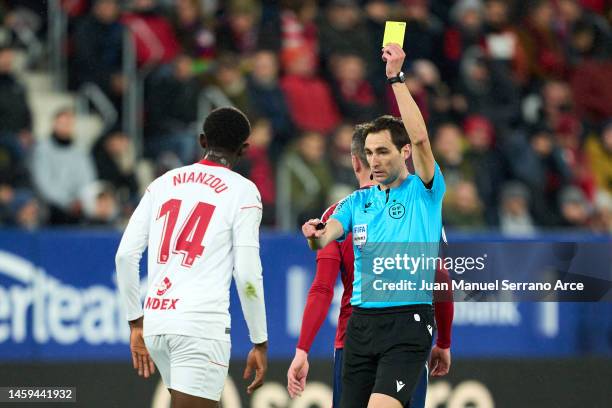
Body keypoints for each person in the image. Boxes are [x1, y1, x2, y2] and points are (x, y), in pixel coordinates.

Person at [301, 44, 447, 408]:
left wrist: (396, 79)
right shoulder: (356, 203)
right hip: (361, 327)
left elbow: (422, 137)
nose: (374, 160)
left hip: (407, 322)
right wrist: (317, 237)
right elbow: (330, 233)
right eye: (369, 153)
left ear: (404, 153)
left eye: (382, 151)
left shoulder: (424, 191)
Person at [116, 107, 268, 408]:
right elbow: (248, 274)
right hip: (200, 327)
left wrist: (136, 322)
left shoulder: (162, 183)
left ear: (202, 141)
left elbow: (125, 256)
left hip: (158, 323)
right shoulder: (243, 191)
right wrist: (259, 339)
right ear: (245, 149)